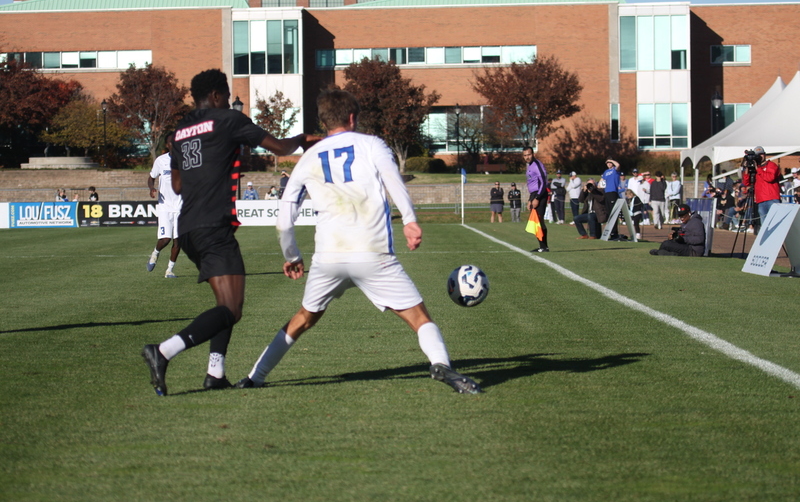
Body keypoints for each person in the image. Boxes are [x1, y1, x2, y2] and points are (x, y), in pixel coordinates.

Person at [236, 89, 480, 395]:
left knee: (303, 319)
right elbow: (393, 180)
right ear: (353, 117)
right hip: (373, 254)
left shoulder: (307, 158)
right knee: (418, 318)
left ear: (324, 122)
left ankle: (254, 377)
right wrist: (409, 220)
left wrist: (293, 256)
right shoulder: (372, 144)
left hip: (328, 258)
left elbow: (284, 220)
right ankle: (441, 365)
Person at [141, 68, 318, 396]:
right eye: (228, 97)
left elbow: (177, 185)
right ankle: (163, 351)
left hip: (189, 228)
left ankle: (215, 374)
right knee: (231, 309)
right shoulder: (228, 120)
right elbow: (279, 148)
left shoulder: (180, 132)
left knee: (225, 306)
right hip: (214, 225)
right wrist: (307, 140)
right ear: (218, 96)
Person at [146, 132, 182, 279]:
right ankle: (155, 253)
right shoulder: (161, 161)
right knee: (166, 239)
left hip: (182, 207)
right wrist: (151, 188)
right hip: (165, 206)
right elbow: (151, 177)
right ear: (167, 145)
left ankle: (169, 270)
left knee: (179, 241)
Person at [741, 146, 782, 230]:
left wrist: (758, 169)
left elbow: (770, 178)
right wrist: (747, 169)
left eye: (761, 154)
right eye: (757, 155)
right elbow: (746, 182)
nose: (760, 156)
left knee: (775, 225)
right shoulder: (755, 168)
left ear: (765, 154)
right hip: (761, 200)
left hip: (772, 199)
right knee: (765, 226)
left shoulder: (771, 165)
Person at [525, 146, 549, 252]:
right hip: (534, 194)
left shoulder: (537, 165)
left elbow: (543, 182)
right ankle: (542, 246)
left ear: (533, 154)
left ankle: (543, 247)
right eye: (525, 155)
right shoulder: (529, 166)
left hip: (540, 193)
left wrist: (537, 197)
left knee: (538, 220)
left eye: (529, 154)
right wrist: (530, 199)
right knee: (536, 220)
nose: (527, 157)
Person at [600, 159, 622, 238]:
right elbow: (602, 181)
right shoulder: (606, 172)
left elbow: (618, 165)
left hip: (613, 192)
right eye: (607, 163)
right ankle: (610, 231)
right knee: (609, 213)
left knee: (613, 212)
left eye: (610, 163)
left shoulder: (615, 170)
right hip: (607, 193)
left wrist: (611, 160)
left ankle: (614, 232)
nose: (609, 164)